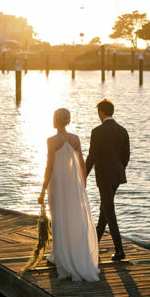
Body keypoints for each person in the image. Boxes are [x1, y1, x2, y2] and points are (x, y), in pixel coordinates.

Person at [38, 108, 99, 281]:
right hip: (73, 185)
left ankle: (61, 258)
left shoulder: (51, 140)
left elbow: (49, 166)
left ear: (55, 120)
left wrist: (43, 188)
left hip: (58, 183)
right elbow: (81, 163)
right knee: (73, 217)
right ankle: (69, 255)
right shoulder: (75, 139)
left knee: (59, 216)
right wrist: (83, 185)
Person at [85, 99, 130, 262]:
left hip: (104, 176)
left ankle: (119, 251)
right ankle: (94, 245)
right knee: (105, 209)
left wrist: (83, 175)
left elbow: (92, 156)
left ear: (101, 113)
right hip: (117, 176)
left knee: (109, 212)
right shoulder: (122, 130)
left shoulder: (97, 131)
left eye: (98, 112)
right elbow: (126, 156)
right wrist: (119, 169)